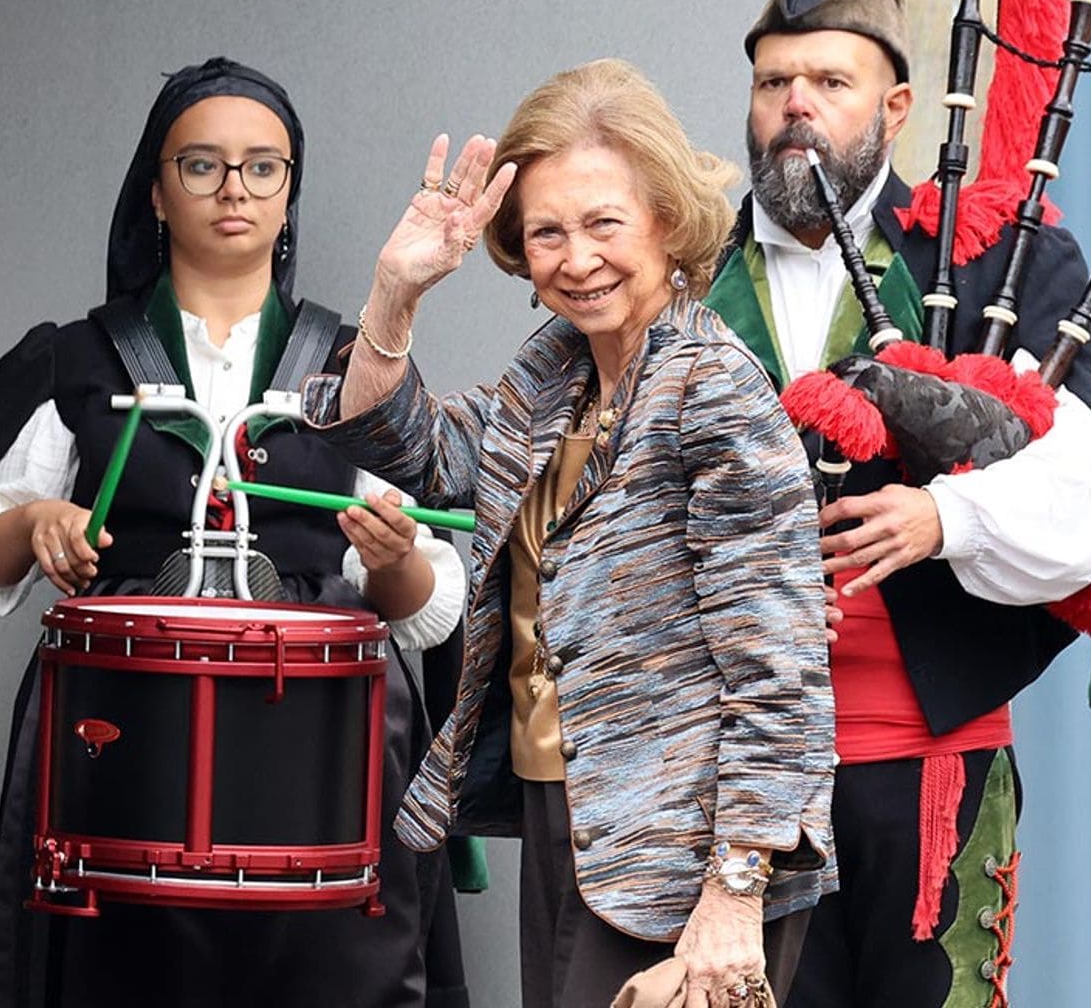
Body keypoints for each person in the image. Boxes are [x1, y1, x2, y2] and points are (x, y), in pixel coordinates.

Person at [0, 57, 471, 1008]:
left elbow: (428, 603)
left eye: (262, 167)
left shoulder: (356, 367)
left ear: (289, 192)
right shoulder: (79, 359)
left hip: (321, 760)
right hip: (119, 762)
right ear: (155, 188)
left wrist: (392, 566)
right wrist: (31, 525)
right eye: (203, 165)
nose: (235, 188)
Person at [701, 0, 1091, 1006]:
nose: (795, 103)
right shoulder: (686, 268)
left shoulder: (988, 252)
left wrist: (949, 516)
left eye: (830, 80)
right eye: (773, 82)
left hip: (926, 760)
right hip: (728, 773)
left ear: (894, 110)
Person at [314, 58, 835, 1008]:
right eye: (546, 232)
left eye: (604, 223)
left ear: (667, 222)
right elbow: (425, 452)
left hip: (693, 847)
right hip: (574, 817)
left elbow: (782, 670)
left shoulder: (713, 389)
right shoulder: (554, 371)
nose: (575, 257)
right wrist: (397, 292)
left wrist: (734, 894)